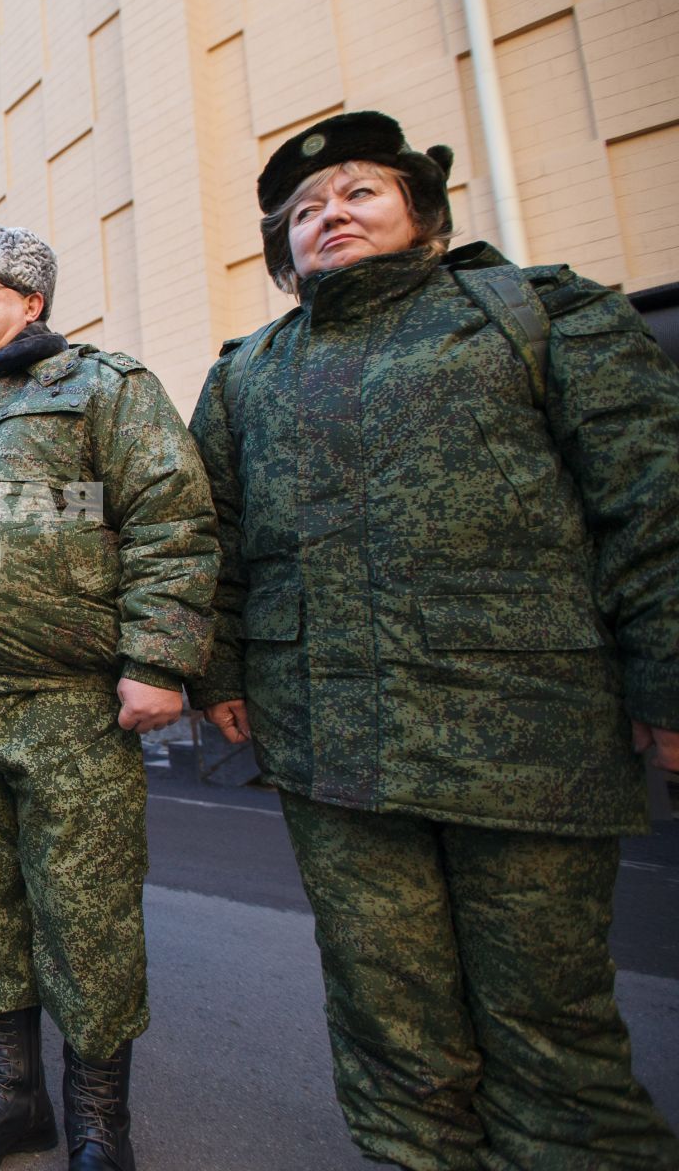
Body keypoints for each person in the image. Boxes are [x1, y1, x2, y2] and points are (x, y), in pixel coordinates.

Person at [188, 110, 679, 1171]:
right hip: (335, 742)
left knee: (553, 1026)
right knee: (388, 1020)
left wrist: (667, 674)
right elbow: (213, 541)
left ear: (422, 209)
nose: (331, 216)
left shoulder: (539, 313)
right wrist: (220, 669)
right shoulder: (246, 374)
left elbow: (651, 501)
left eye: (359, 192)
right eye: (305, 212)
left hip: (525, 738)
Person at [0, 225, 219, 1171]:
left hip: (66, 703)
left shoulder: (100, 387)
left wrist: (159, 656)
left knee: (85, 910)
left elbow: (170, 522)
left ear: (34, 302)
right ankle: (13, 1093)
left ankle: (100, 1116)